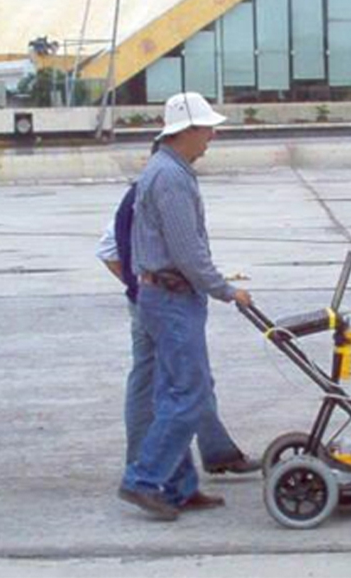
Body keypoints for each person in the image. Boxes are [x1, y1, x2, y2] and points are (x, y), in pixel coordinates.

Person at [117, 92, 253, 521]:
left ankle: (178, 488)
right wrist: (226, 290)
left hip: (161, 295)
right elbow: (187, 253)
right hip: (173, 298)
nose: (212, 136)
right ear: (185, 131)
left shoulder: (163, 170)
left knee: (171, 392)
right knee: (189, 394)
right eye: (207, 129)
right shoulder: (171, 178)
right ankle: (143, 480)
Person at [96, 178, 260, 478]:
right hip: (161, 303)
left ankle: (216, 451)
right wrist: (145, 287)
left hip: (157, 300)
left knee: (191, 379)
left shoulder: (144, 192)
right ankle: (144, 467)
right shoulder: (154, 194)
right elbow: (110, 251)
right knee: (163, 384)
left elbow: (109, 250)